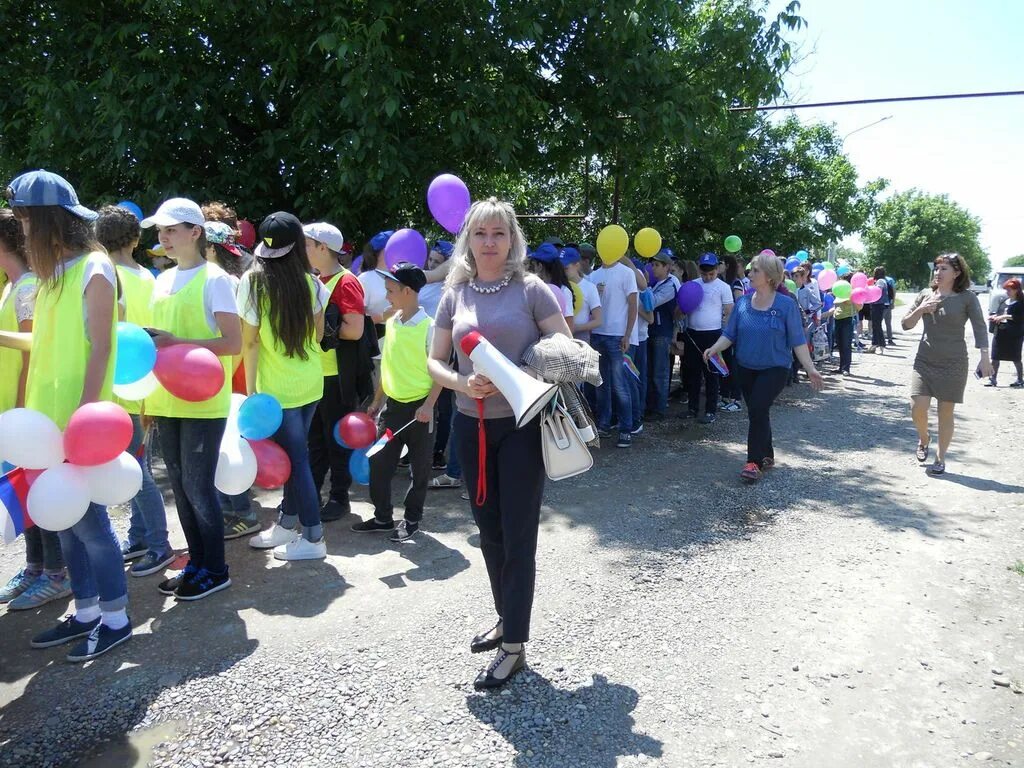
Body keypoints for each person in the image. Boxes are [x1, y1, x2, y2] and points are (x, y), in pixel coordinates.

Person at [428, 197, 569, 689]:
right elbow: (435, 362)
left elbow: (565, 350)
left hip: (524, 424)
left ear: (513, 240)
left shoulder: (533, 289)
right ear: (468, 238)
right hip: (471, 423)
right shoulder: (455, 292)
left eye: (499, 234)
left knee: (518, 535)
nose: (489, 243)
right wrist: (462, 384)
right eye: (481, 234)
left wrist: (517, 374)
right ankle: (506, 617)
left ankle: (515, 646)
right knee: (488, 532)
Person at [1, 170, 130, 660]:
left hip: (80, 427)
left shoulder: (95, 269)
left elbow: (101, 347)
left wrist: (82, 419)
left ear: (51, 219)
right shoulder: (52, 275)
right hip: (47, 425)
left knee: (92, 527)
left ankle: (116, 618)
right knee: (65, 523)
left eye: (27, 218)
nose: (23, 228)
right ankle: (86, 611)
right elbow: (47, 342)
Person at [143, 198, 241, 599]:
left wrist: (176, 343)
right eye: (160, 231)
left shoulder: (216, 279)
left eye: (171, 229)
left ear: (196, 232)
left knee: (199, 488)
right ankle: (197, 564)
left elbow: (232, 342)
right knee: (181, 489)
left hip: (204, 399)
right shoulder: (161, 280)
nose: (163, 237)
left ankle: (216, 568)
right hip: (167, 399)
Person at [241, 212, 331, 560]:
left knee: (297, 461)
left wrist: (251, 392)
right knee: (298, 459)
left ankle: (313, 538)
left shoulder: (253, 283)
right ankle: (287, 523)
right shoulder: (314, 283)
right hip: (310, 384)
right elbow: (320, 336)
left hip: (278, 391)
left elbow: (249, 343)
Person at [95, 205, 174, 576]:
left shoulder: (105, 276)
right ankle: (141, 536)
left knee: (136, 470)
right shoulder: (149, 276)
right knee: (140, 464)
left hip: (118, 388)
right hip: (148, 384)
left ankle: (159, 544)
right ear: (136, 239)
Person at [0, 208, 72, 610]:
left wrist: (23, 411)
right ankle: (34, 567)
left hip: (23, 410)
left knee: (36, 490)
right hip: (10, 410)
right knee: (22, 491)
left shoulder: (28, 286)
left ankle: (56, 574)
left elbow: (32, 353)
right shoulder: (12, 286)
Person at [703, 251, 824, 483]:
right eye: (750, 269)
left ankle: (753, 462)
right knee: (758, 411)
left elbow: (797, 340)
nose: (750, 273)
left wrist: (810, 368)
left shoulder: (786, 305)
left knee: (757, 408)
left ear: (769, 276)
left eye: (755, 270)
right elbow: (730, 334)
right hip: (746, 367)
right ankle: (767, 454)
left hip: (775, 368)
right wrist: (715, 348)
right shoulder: (743, 302)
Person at [352, 262, 442, 542]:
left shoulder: (431, 328)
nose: (387, 296)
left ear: (407, 291)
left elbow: (440, 374)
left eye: (391, 290)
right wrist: (377, 401)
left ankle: (412, 520)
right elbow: (388, 367)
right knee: (379, 464)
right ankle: (382, 517)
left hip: (420, 413)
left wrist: (428, 406)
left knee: (420, 471)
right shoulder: (392, 324)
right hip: (392, 412)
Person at [901, 253, 991, 475]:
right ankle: (924, 438)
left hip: (954, 362)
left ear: (957, 273)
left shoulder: (967, 298)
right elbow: (905, 324)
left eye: (944, 269)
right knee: (917, 408)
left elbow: (980, 327)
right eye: (937, 268)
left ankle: (940, 458)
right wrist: (922, 309)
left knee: (945, 413)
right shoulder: (925, 294)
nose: (938, 273)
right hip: (924, 360)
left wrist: (985, 356)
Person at [303, 222, 366, 522]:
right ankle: (311, 493)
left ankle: (340, 497)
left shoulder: (346, 281)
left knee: (336, 439)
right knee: (314, 440)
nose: (302, 250)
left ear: (322, 248)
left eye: (306, 244)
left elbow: (355, 330)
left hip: (336, 378)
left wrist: (322, 329)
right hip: (314, 375)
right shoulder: (314, 279)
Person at [587, 249, 639, 447]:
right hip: (598, 334)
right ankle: (604, 424)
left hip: (617, 335)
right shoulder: (594, 275)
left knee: (620, 385)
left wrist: (627, 334)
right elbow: (591, 307)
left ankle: (626, 428)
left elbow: (633, 305)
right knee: (602, 384)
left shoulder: (626, 273)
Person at [681, 253, 734, 424]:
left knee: (712, 373)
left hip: (713, 334)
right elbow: (683, 306)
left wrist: (726, 335)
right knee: (692, 373)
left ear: (717, 269)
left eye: (711, 273)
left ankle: (711, 410)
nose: (708, 277)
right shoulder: (693, 285)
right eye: (704, 274)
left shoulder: (723, 287)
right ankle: (692, 407)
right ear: (699, 270)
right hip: (693, 333)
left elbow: (729, 311)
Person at [646, 251, 679, 420]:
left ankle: (659, 408)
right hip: (651, 331)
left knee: (660, 371)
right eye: (653, 265)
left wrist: (642, 289)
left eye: (657, 265)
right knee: (650, 370)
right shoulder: (655, 284)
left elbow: (652, 302)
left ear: (667, 267)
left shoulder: (670, 285)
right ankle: (651, 406)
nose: (654, 269)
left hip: (662, 332)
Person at [987, 278, 1023, 387]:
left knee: (1016, 357)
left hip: (1014, 334)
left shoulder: (1021, 302)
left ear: (1016, 290)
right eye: (1006, 289)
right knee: (995, 357)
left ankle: (1020, 380)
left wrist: (1005, 316)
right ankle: (993, 379)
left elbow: (1020, 317)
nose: (1007, 291)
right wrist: (995, 316)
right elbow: (999, 312)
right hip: (1001, 332)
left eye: (1009, 289)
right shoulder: (1004, 300)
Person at [563, 246, 602, 344]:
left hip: (581, 339)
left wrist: (576, 328)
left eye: (566, 268)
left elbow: (598, 320)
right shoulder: (559, 286)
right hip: (561, 337)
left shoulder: (589, 287)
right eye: (560, 268)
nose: (563, 272)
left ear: (577, 265)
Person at [867, 267, 890, 354]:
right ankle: (874, 344)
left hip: (878, 305)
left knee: (877, 326)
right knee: (875, 325)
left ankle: (881, 345)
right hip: (878, 305)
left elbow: (877, 291)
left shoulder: (880, 281)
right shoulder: (883, 280)